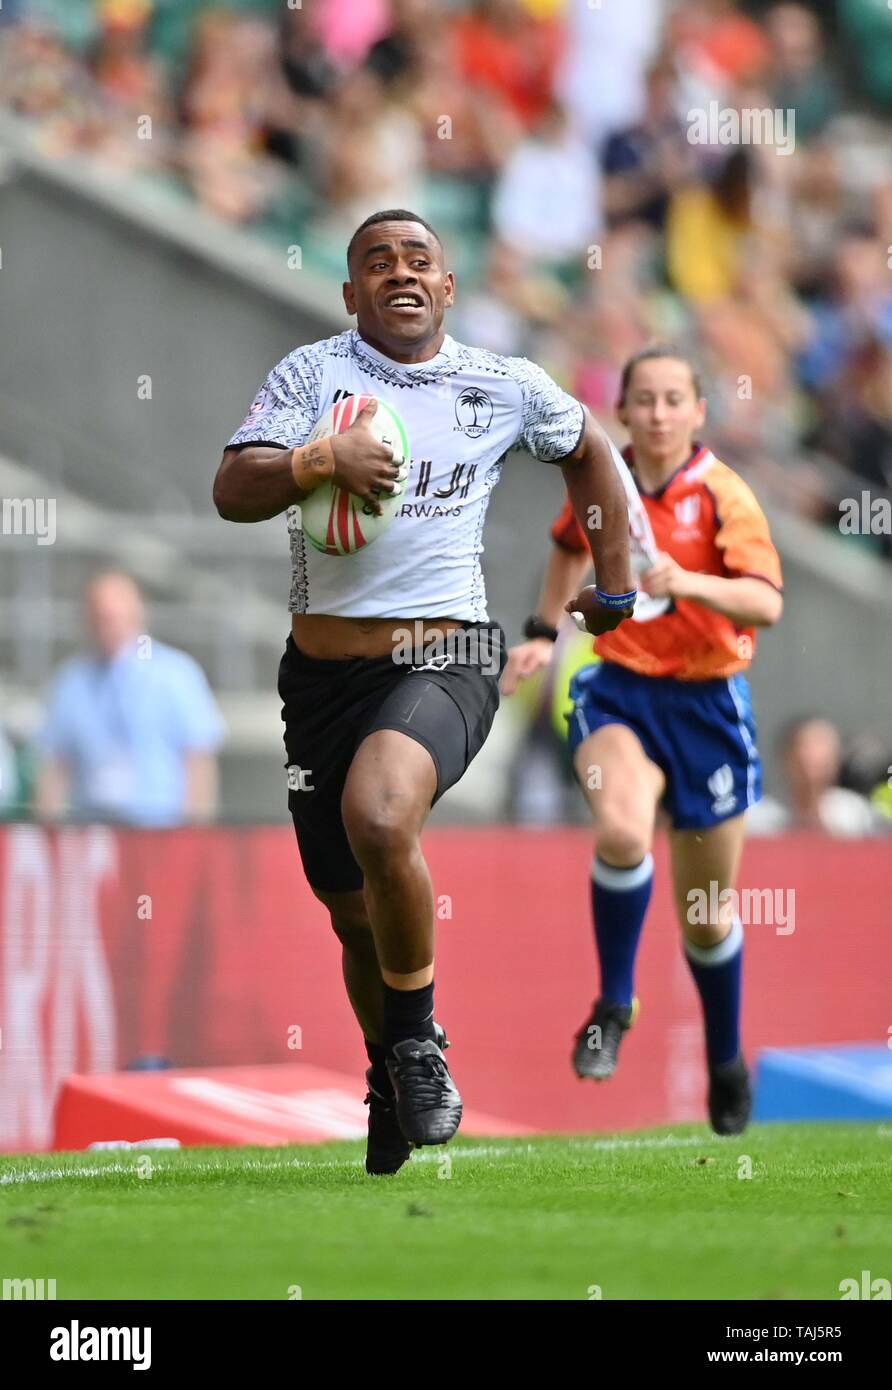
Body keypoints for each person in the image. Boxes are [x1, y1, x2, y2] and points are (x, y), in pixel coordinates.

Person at [213, 209, 635, 1174]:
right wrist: (322, 459)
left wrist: (614, 579)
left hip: (448, 654)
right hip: (321, 678)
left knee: (381, 813)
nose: (400, 273)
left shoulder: (503, 384)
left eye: (419, 261)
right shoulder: (313, 376)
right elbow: (232, 488)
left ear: (449, 289)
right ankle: (387, 1075)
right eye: (376, 262)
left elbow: (590, 452)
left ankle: (419, 1045)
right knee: (351, 909)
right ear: (351, 292)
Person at [503, 344, 783, 1135]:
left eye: (673, 400)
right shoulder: (604, 479)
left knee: (704, 913)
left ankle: (727, 1061)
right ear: (622, 411)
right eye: (645, 400)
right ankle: (614, 1001)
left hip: (708, 707)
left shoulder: (724, 493)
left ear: (698, 411)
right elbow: (565, 545)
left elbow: (765, 602)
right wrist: (539, 631)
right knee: (622, 830)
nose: (658, 414)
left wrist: (687, 583)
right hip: (620, 688)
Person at [34, 571, 224, 827]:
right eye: (99, 616)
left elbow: (199, 761)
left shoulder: (176, 674)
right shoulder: (71, 680)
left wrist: (194, 835)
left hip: (160, 830)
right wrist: (47, 830)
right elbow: (56, 766)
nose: (107, 624)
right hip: (92, 834)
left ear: (137, 612)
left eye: (114, 615)